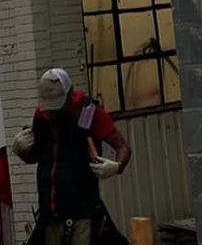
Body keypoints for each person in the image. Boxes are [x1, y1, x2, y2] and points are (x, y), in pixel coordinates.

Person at [10, 67, 132, 244]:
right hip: (50, 213)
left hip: (81, 213)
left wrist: (117, 166)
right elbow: (43, 158)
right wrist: (23, 151)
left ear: (69, 94)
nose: (52, 112)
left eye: (56, 105)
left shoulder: (89, 112)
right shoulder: (42, 114)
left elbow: (123, 147)